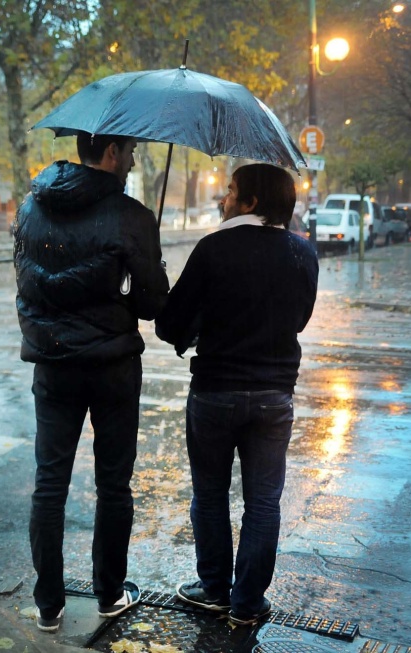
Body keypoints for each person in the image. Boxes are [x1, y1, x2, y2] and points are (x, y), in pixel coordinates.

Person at [13, 132, 169, 633]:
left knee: (49, 483)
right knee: (113, 484)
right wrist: (145, 267)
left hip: (53, 364)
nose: (132, 160)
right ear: (110, 153)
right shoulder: (133, 216)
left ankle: (48, 606)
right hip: (112, 369)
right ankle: (107, 595)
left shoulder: (30, 208)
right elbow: (151, 305)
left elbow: (27, 286)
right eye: (130, 151)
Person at [155, 163, 319, 627]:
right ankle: (247, 603)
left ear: (250, 201)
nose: (223, 199)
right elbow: (299, 320)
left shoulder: (213, 248)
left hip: (215, 393)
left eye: (230, 191)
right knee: (263, 502)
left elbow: (170, 325)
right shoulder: (303, 254)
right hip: (273, 396)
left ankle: (213, 590)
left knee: (210, 495)